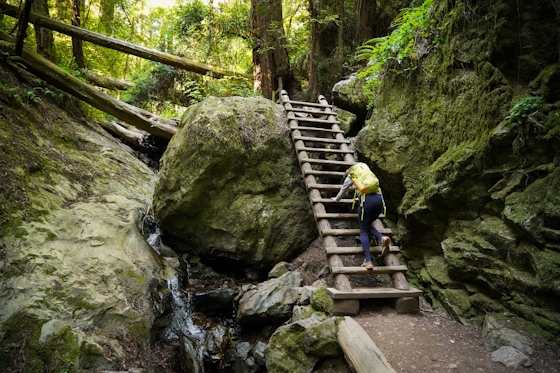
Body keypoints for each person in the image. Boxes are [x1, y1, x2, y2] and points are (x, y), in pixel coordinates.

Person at [331, 163, 391, 270]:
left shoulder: (352, 174)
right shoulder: (365, 169)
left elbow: (344, 189)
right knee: (367, 225)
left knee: (363, 229)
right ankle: (381, 239)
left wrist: (336, 199)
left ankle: (368, 260)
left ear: (348, 171)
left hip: (367, 201)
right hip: (379, 200)